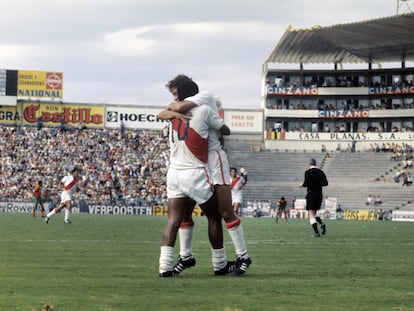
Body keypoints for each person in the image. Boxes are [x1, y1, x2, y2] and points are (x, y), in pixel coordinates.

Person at [161, 75, 251, 276]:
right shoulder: (186, 108)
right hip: (196, 163)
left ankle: (242, 256)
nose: (175, 100)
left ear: (186, 93)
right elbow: (170, 110)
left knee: (224, 211)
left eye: (176, 94)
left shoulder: (203, 99)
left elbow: (176, 109)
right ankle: (186, 256)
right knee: (186, 213)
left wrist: (173, 110)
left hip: (213, 158)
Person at [300, 158, 328, 237]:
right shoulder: (321, 172)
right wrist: (318, 184)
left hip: (311, 194)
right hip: (319, 195)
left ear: (309, 164)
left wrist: (301, 185)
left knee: (311, 213)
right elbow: (326, 183)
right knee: (314, 213)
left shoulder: (307, 172)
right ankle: (322, 224)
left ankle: (316, 233)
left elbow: (305, 184)